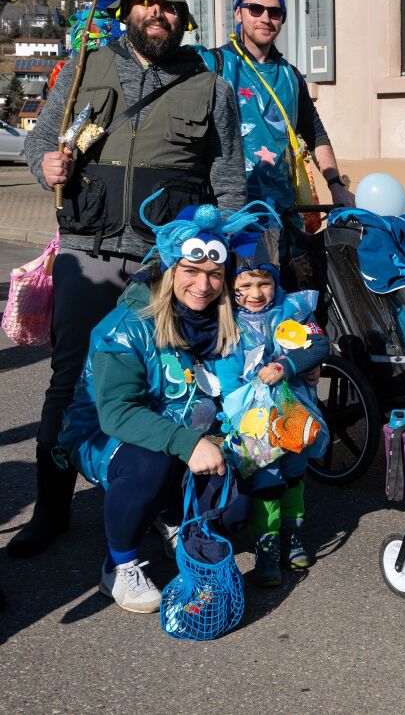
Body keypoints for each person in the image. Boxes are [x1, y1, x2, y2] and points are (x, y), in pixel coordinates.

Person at [15, 0, 246, 560]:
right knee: (69, 384)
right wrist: (45, 168)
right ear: (127, 8)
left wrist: (228, 263)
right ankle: (51, 509)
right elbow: (40, 141)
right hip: (87, 256)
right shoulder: (85, 68)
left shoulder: (211, 86)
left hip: (161, 268)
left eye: (169, 6)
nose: (158, 14)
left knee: (169, 383)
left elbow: (228, 184)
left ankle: (162, 504)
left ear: (184, 17)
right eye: (146, 2)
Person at [54, 200, 272, 612]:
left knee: (236, 509)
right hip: (108, 435)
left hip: (188, 433)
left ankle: (168, 511)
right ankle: (119, 566)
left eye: (213, 274)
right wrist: (189, 445)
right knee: (148, 467)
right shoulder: (126, 327)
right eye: (191, 272)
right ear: (170, 270)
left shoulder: (224, 325)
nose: (203, 286)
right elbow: (116, 413)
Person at [199, 0, 353, 277]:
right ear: (238, 13)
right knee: (237, 302)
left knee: (281, 301)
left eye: (274, 12)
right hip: (226, 216)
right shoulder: (212, 65)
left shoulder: (290, 75)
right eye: (255, 9)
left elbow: (315, 132)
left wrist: (336, 185)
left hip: (282, 215)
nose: (265, 18)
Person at [216, 228, 330, 586]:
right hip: (252, 418)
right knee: (265, 476)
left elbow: (318, 343)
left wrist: (286, 365)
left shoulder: (291, 310)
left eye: (263, 283)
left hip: (294, 411)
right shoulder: (227, 322)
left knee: (295, 469)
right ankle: (266, 544)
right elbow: (226, 370)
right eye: (244, 285)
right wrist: (242, 405)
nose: (255, 294)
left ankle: (291, 533)